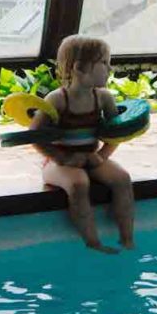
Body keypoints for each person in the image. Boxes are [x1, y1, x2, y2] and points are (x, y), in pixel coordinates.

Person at [30, 35, 134, 253]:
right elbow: (35, 136)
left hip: (91, 156)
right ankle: (93, 241)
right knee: (78, 184)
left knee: (123, 179)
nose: (110, 68)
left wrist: (103, 155)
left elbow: (115, 133)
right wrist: (63, 158)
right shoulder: (57, 99)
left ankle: (127, 238)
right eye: (104, 63)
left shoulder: (104, 97)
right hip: (58, 161)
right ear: (80, 68)